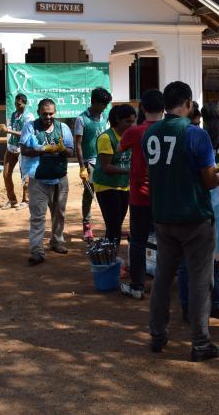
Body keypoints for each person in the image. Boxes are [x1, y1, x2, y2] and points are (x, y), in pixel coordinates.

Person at [145, 81, 219, 362]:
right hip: (194, 217)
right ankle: (200, 342)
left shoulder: (150, 132)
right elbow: (210, 180)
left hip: (163, 215)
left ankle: (158, 334)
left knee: (162, 279)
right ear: (187, 103)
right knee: (200, 280)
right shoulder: (195, 134)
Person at [177, 103, 219, 323]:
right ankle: (215, 302)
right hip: (216, 197)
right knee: (215, 258)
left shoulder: (188, 135)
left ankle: (189, 307)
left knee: (188, 258)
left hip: (191, 199)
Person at [118, 89, 164, 300]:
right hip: (166, 195)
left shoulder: (134, 132)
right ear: (164, 108)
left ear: (143, 109)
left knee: (137, 241)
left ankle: (137, 286)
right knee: (168, 240)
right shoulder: (172, 130)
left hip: (140, 195)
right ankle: (166, 285)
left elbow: (120, 148)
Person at [20, 99, 75, 264]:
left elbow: (70, 151)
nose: (48, 117)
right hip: (38, 180)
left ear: (55, 113)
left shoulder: (63, 128)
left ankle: (57, 241)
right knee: (37, 216)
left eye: (51, 113)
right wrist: (43, 149)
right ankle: (37, 251)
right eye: (44, 114)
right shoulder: (30, 127)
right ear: (38, 113)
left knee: (59, 213)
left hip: (60, 178)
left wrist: (62, 149)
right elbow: (24, 150)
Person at [93, 104, 136, 249]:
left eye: (133, 121)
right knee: (113, 226)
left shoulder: (130, 136)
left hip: (123, 185)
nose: (131, 125)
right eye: (127, 122)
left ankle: (110, 257)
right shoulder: (106, 137)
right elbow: (106, 168)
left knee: (116, 225)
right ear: (118, 120)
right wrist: (130, 171)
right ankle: (109, 260)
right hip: (106, 186)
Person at [74, 87, 111, 240]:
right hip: (90, 163)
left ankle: (111, 226)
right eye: (102, 104)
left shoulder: (105, 116)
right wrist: (82, 167)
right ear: (93, 102)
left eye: (106, 104)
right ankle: (87, 225)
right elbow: (78, 144)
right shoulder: (82, 119)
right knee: (89, 195)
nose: (104, 107)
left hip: (105, 161)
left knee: (108, 194)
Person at [0, 93, 34, 210]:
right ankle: (12, 200)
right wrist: (6, 129)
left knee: (25, 175)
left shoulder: (29, 117)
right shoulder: (13, 115)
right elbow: (12, 128)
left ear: (24, 103)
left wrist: (8, 130)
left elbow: (25, 133)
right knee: (6, 174)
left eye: (19, 104)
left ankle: (26, 200)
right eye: (15, 103)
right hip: (11, 148)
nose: (16, 106)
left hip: (23, 149)